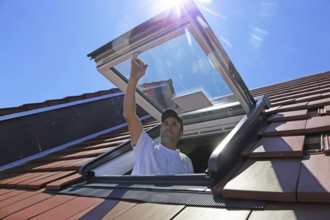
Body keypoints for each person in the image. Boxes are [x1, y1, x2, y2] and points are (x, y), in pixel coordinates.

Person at [123, 57, 194, 175]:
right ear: (161, 128)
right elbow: (129, 114)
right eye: (165, 123)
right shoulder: (145, 147)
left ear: (181, 133)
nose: (168, 126)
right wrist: (133, 79)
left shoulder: (186, 161)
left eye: (174, 124)